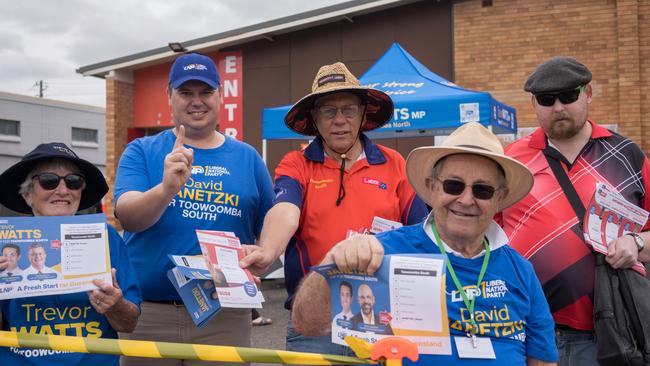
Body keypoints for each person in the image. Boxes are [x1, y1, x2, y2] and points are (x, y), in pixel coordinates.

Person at [292, 122, 558, 365]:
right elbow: (308, 324)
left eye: (482, 190)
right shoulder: (383, 252)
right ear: (432, 187)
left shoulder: (520, 270)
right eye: (453, 186)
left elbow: (543, 361)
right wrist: (332, 260)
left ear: (500, 198)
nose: (466, 200)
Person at [240, 62, 428, 355]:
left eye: (348, 110)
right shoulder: (296, 164)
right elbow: (285, 211)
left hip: (381, 317)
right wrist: (268, 251)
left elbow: (421, 231)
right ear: (315, 119)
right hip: (315, 318)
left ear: (363, 114)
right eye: (329, 111)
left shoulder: (395, 164)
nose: (339, 120)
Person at [114, 52, 274, 366]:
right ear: (170, 97)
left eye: (206, 92)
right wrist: (166, 189)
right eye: (186, 93)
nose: (196, 101)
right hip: (149, 315)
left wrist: (262, 258)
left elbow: (271, 226)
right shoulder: (142, 151)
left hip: (223, 315)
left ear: (219, 95)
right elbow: (129, 217)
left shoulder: (248, 157)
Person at [501, 56, 650, 365]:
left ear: (589, 93)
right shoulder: (510, 160)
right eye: (546, 99)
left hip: (610, 334)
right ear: (534, 104)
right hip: (526, 330)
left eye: (569, 96)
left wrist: (636, 244)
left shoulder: (627, 155)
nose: (558, 107)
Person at [0, 142, 141, 366]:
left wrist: (116, 306)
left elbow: (128, 323)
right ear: (27, 195)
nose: (63, 190)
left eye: (73, 182)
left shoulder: (106, 236)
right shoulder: (5, 243)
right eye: (49, 181)